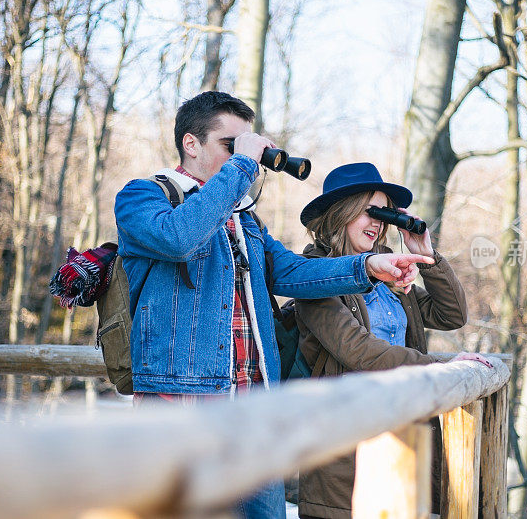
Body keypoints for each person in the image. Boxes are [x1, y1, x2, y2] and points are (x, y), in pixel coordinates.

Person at [113, 92, 433, 519]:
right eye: (232, 145)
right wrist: (243, 166)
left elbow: (294, 274)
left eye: (249, 147)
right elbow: (178, 239)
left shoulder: (244, 220)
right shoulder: (143, 197)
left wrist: (370, 264)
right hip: (182, 399)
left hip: (255, 404)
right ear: (191, 144)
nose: (244, 157)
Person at [294, 162, 492, 519]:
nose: (376, 223)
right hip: (343, 459)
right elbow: (363, 353)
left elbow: (452, 315)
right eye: (367, 212)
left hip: (402, 447)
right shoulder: (313, 280)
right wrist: (444, 367)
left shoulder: (389, 282)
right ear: (340, 213)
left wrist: (425, 255)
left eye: (383, 214)